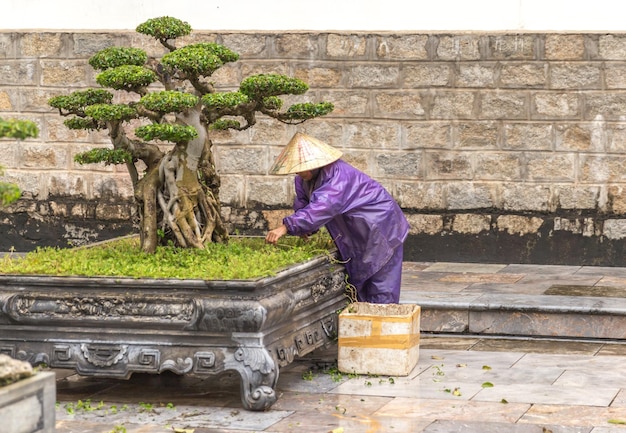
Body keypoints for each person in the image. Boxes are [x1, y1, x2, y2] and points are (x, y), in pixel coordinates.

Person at [265, 132, 410, 304]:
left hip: (382, 226)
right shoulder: (303, 180)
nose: (298, 171)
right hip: (357, 230)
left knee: (381, 286)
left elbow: (322, 207)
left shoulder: (338, 177)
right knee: (361, 284)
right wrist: (305, 228)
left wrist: (286, 227)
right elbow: (304, 205)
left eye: (300, 167)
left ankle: (384, 326)